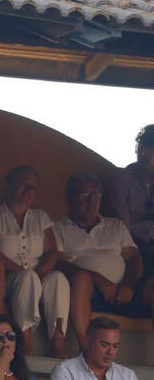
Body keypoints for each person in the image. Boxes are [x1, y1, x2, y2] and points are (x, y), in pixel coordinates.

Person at [55, 172, 149, 351]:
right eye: (84, 196)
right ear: (70, 198)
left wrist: (128, 285)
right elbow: (57, 262)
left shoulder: (116, 226)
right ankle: (85, 350)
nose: (92, 202)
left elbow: (133, 259)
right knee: (82, 279)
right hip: (89, 293)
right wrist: (96, 278)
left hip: (124, 291)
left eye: (96, 195)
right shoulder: (58, 228)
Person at [0, 164, 69, 358]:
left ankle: (57, 343)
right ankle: (26, 343)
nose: (28, 189)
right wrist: (24, 272)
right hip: (7, 278)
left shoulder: (40, 217)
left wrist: (39, 273)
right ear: (9, 185)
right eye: (23, 184)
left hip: (37, 275)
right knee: (26, 278)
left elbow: (53, 251)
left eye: (32, 186)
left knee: (58, 278)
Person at [107, 124, 154, 267]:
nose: (144, 152)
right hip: (136, 246)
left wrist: (140, 220)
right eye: (141, 146)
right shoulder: (122, 181)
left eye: (151, 148)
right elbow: (124, 229)